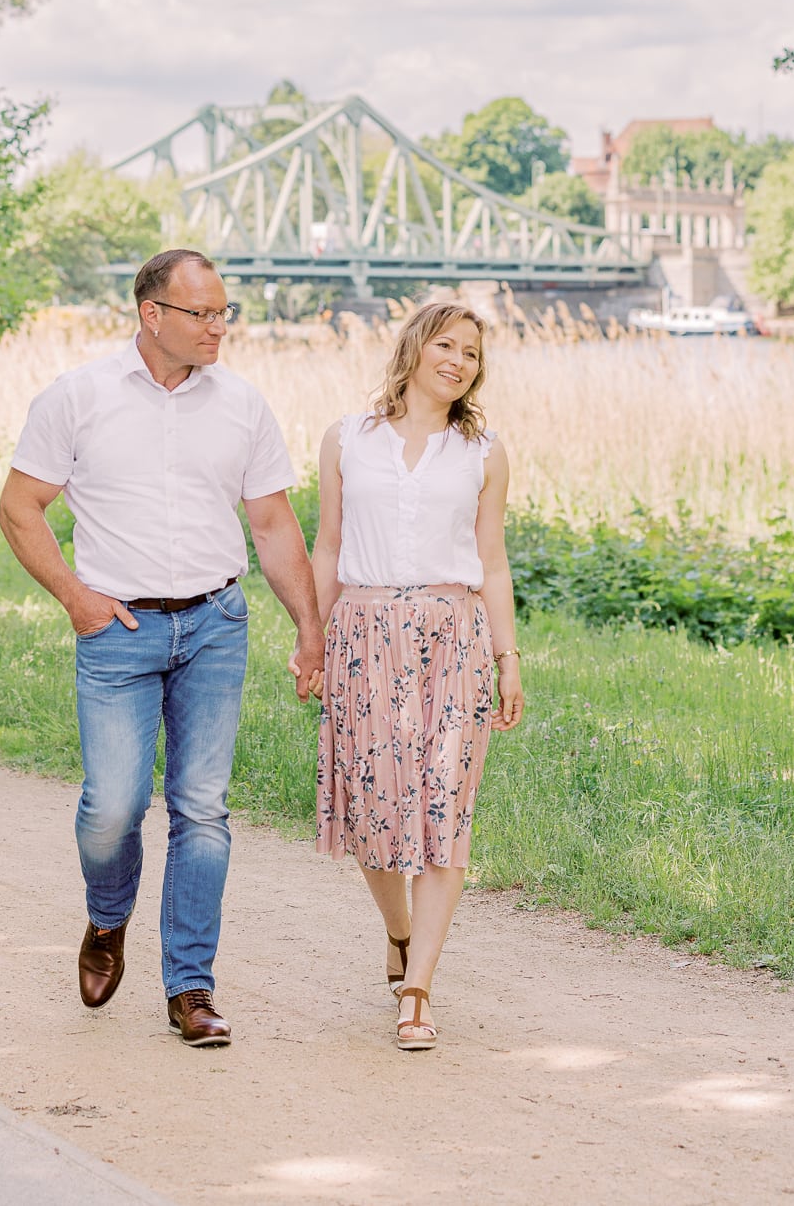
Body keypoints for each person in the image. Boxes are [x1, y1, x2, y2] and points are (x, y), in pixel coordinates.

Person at [0, 249, 324, 1048]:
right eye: (203, 313)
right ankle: (107, 919)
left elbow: (275, 525)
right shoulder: (79, 398)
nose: (219, 327)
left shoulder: (243, 404)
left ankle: (190, 986)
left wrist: (310, 628)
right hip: (119, 631)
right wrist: (77, 598)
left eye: (224, 313)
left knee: (202, 808)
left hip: (215, 623)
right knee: (112, 808)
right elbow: (18, 507)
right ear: (153, 314)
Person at [310, 301, 524, 1051]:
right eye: (446, 344)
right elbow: (328, 544)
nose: (459, 360)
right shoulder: (347, 439)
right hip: (363, 636)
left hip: (453, 638)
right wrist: (311, 637)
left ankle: (417, 988)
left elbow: (491, 561)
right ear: (415, 347)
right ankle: (397, 930)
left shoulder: (484, 452)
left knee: (443, 812)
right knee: (373, 816)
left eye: (471, 352)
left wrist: (508, 656)